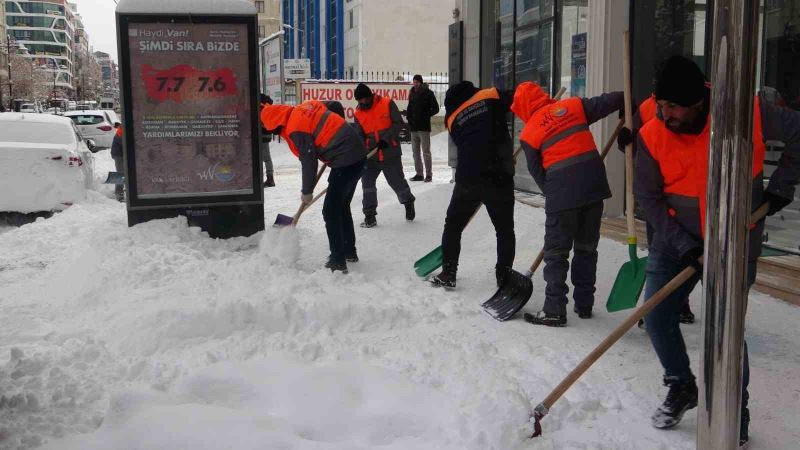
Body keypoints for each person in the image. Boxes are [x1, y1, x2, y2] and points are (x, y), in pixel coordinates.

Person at [634, 55, 800, 447]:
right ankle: (681, 384)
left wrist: (782, 185)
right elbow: (648, 198)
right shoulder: (653, 131)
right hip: (674, 240)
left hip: (734, 239)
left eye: (674, 107)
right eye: (661, 105)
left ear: (698, 102)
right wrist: (685, 245)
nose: (665, 114)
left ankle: (732, 412)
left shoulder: (747, 112)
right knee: (656, 318)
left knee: (726, 329)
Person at [511, 81, 624, 327]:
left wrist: (555, 195)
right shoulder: (573, 106)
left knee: (556, 253)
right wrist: (626, 102)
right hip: (593, 187)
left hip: (562, 192)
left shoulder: (529, 133)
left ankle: (554, 308)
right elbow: (609, 100)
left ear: (521, 108)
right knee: (586, 248)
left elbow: (538, 173)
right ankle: (584, 305)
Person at [261, 100, 368, 273]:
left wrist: (307, 191)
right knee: (341, 206)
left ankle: (338, 261)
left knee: (330, 211)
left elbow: (308, 160)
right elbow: (333, 106)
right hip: (355, 153)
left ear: (277, 124)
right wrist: (336, 129)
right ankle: (349, 251)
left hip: (346, 159)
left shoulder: (296, 128)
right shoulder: (304, 106)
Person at [619, 94, 696, 326]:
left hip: (694, 192)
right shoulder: (646, 108)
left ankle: (679, 305)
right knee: (661, 253)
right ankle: (656, 308)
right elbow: (632, 145)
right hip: (659, 192)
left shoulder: (702, 104)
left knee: (694, 257)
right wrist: (625, 138)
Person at [430, 81, 516, 289]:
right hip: (499, 176)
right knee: (504, 230)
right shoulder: (491, 95)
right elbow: (520, 98)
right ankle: (503, 277)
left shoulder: (451, 119)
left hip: (469, 178)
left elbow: (468, 142)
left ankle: (448, 272)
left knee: (453, 225)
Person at [353, 83, 416, 227]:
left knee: (397, 182)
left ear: (370, 96)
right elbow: (359, 135)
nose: (362, 102)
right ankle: (369, 216)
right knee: (367, 185)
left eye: (364, 99)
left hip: (390, 153)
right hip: (371, 156)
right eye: (360, 100)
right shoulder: (358, 113)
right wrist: (360, 152)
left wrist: (385, 139)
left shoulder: (387, 103)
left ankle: (408, 201)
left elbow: (398, 123)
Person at [406, 74, 440, 182]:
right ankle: (419, 174)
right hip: (414, 128)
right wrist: (409, 118)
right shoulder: (412, 93)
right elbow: (410, 107)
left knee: (426, 152)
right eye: (414, 81)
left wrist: (426, 115)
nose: (415, 83)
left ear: (420, 82)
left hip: (424, 127)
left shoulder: (428, 93)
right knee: (415, 152)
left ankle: (428, 174)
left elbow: (436, 108)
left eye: (417, 81)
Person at [260, 94, 276, 187]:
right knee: (266, 158)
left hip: (262, 134)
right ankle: (270, 179)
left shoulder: (261, 106)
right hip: (266, 133)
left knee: (265, 158)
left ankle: (270, 180)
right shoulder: (267, 105)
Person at [110, 121, 125, 202]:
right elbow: (125, 143)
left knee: (122, 172)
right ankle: (119, 193)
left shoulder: (122, 129)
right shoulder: (120, 133)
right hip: (118, 155)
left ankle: (120, 190)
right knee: (121, 173)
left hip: (122, 154)